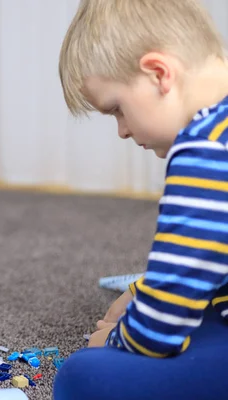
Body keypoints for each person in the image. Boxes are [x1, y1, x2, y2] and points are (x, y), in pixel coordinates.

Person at [55, 0, 228, 399]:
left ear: (159, 74)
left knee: (83, 375)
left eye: (117, 109)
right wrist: (143, 290)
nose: (121, 131)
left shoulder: (205, 149)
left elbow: (160, 329)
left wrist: (118, 341)